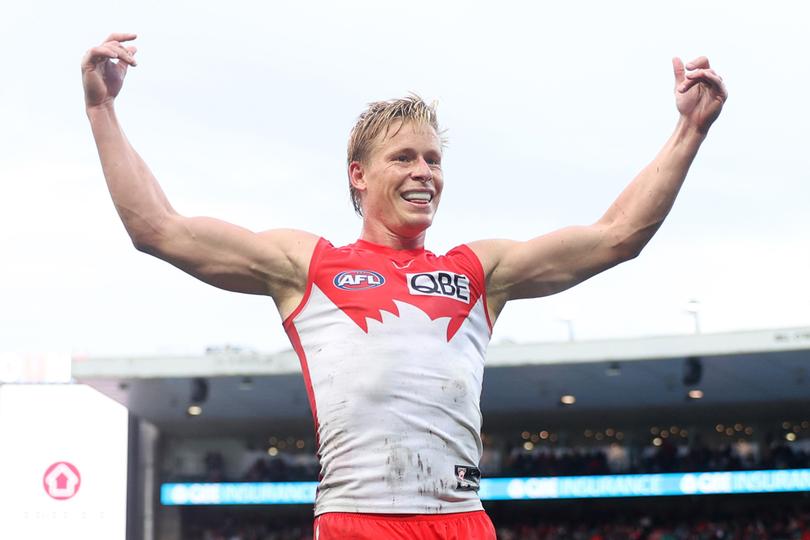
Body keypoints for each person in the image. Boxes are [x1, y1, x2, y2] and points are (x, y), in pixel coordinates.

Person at [81, 32, 727, 540]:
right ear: (358, 175)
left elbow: (618, 236)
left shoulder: (478, 271)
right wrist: (101, 107)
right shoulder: (307, 265)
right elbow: (158, 229)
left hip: (461, 519)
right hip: (357, 519)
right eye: (405, 157)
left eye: (434, 159)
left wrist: (689, 131)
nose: (425, 173)